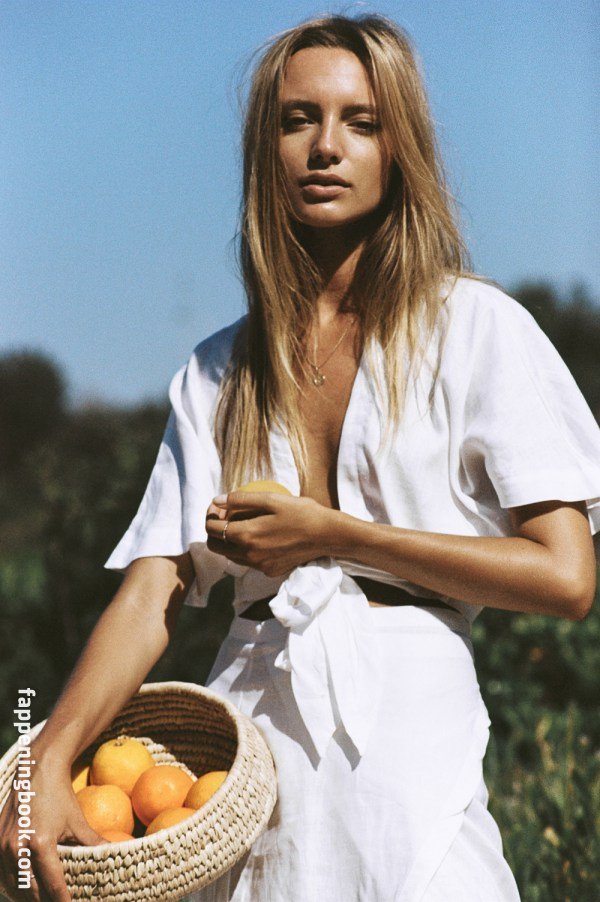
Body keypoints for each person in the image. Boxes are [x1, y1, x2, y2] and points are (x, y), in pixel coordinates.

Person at [1, 13, 599, 902]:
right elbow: (152, 592)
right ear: (265, 150)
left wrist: (335, 537)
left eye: (361, 122)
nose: (326, 146)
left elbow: (567, 578)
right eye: (297, 120)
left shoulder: (477, 329)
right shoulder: (217, 370)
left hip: (412, 738)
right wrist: (43, 762)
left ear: (399, 150)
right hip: (249, 752)